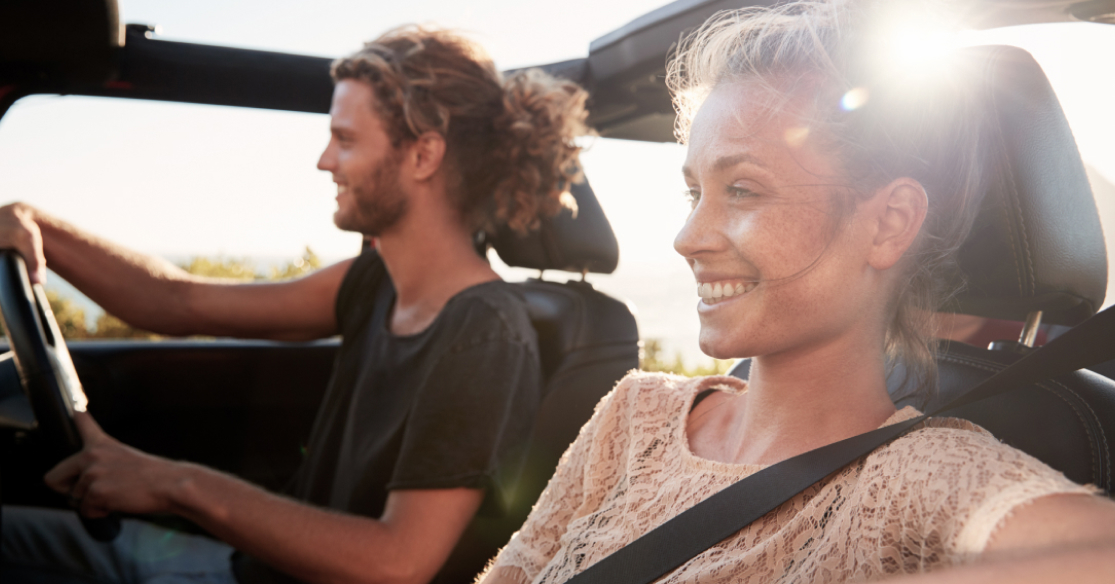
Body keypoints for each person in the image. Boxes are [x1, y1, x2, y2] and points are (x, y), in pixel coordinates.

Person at [477, 2, 1115, 583]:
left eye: (744, 191)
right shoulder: (634, 414)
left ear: (888, 224)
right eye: (695, 192)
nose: (688, 237)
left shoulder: (925, 479)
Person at [0, 26, 588, 584]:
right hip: (243, 565)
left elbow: (396, 565)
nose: (324, 160)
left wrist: (175, 484)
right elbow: (180, 302)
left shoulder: (485, 333)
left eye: (346, 139)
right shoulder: (372, 282)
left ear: (423, 155)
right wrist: (34, 222)